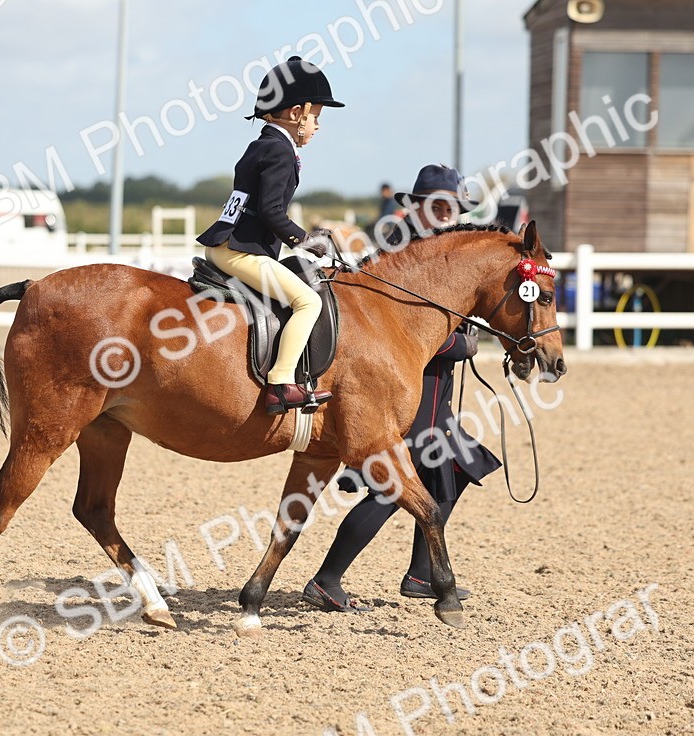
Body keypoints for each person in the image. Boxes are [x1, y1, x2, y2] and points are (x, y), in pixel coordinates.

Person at [302, 165, 501, 612]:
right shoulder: (404, 250)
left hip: (432, 386)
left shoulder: (444, 250)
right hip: (408, 384)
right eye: (439, 207)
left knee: (450, 473)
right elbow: (399, 325)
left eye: (452, 208)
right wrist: (457, 343)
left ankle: (419, 573)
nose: (447, 215)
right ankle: (328, 579)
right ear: (419, 206)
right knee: (395, 488)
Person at [196, 56, 344, 415]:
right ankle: (281, 383)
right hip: (242, 253)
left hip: (227, 247)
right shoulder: (279, 150)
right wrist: (305, 241)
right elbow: (271, 211)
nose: (318, 127)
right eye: (316, 118)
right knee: (308, 302)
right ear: (296, 113)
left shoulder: (264, 143)